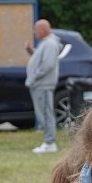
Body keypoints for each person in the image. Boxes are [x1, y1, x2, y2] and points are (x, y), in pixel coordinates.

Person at [27, 20, 61, 154]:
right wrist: (31, 51)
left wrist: (33, 77)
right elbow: (40, 59)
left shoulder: (50, 44)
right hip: (39, 84)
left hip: (43, 84)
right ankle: (48, 141)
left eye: (36, 30)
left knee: (46, 115)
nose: (34, 33)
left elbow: (47, 65)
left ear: (43, 30)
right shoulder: (45, 43)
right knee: (43, 114)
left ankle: (50, 143)